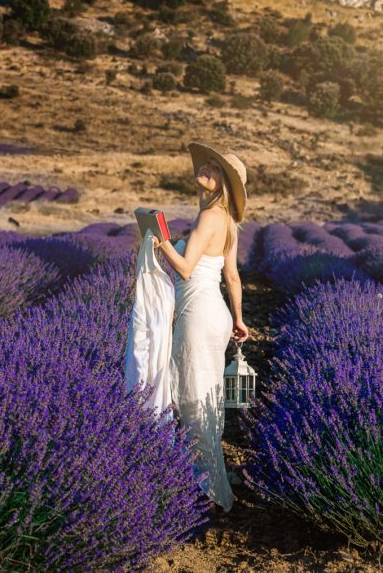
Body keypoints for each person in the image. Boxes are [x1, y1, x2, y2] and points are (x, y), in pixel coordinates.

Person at [154, 141, 250, 514]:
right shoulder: (228, 222)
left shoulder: (210, 217)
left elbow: (186, 268)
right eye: (206, 163)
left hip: (198, 316)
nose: (206, 168)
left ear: (223, 181)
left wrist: (161, 241)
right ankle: (208, 480)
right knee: (205, 398)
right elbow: (233, 276)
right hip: (216, 314)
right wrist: (238, 319)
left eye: (214, 166)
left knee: (192, 401)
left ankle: (207, 492)